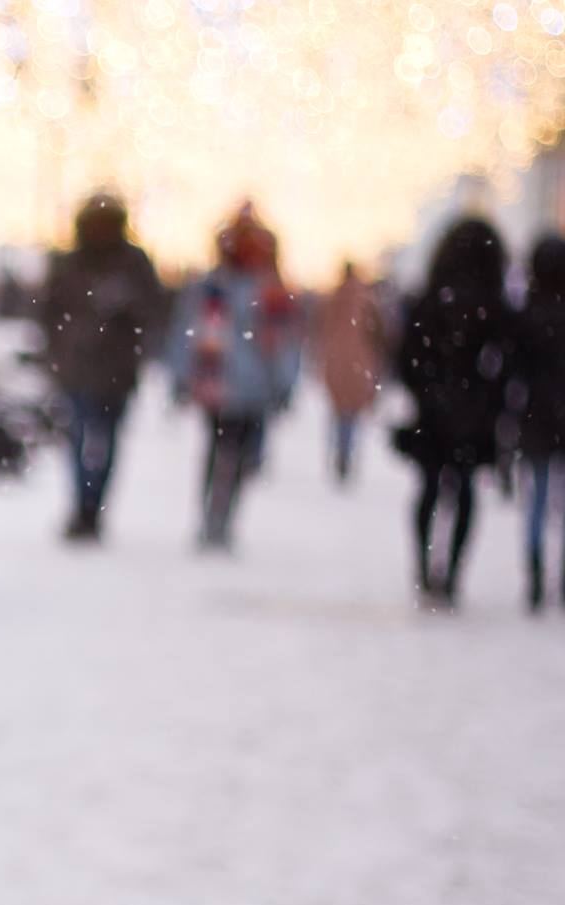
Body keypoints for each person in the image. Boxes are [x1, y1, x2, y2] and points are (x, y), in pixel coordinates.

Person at [168, 203, 301, 551]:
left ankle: (218, 517)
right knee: (228, 452)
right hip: (230, 386)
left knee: (230, 454)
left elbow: (282, 344)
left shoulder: (239, 289)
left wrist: (284, 383)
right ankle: (217, 518)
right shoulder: (222, 288)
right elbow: (189, 334)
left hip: (237, 385)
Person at [394, 216, 512, 607]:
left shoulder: (429, 301)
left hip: (434, 412)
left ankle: (426, 566)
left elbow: (407, 359)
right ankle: (452, 573)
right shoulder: (493, 306)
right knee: (462, 493)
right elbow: (505, 365)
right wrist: (487, 401)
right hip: (473, 416)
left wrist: (427, 392)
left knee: (429, 490)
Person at [37, 193, 164, 542]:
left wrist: (125, 314)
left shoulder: (131, 263)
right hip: (80, 369)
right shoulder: (72, 263)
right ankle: (84, 508)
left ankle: (92, 509)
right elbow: (49, 312)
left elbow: (152, 311)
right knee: (82, 440)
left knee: (101, 441)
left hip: (114, 372)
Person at [513, 235, 565, 611]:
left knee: (537, 499)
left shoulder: (527, 312)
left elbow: (515, 371)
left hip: (536, 417)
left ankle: (534, 574)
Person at [316, 261, 387, 486]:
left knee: (339, 412)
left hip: (337, 361)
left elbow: (323, 328)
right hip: (360, 363)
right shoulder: (367, 300)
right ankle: (346, 455)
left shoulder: (334, 298)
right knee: (352, 414)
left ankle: (340, 452)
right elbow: (379, 334)